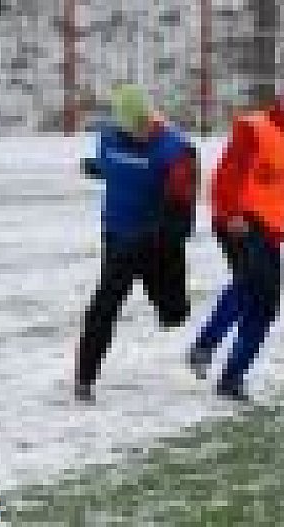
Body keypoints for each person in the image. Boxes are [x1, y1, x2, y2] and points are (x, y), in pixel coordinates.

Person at [188, 74, 284, 401]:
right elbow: (225, 177)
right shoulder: (253, 128)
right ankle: (205, 346)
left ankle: (231, 378)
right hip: (241, 222)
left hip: (270, 230)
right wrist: (231, 214)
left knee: (265, 304)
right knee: (252, 282)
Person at [76, 84, 198, 401]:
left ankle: (172, 309)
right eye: (133, 126)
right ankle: (84, 378)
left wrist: (161, 236)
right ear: (120, 124)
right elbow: (114, 166)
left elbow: (182, 212)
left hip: (160, 243)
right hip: (118, 237)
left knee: (174, 314)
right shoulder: (107, 137)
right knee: (105, 304)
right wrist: (96, 168)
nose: (141, 130)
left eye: (145, 122)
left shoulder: (177, 151)